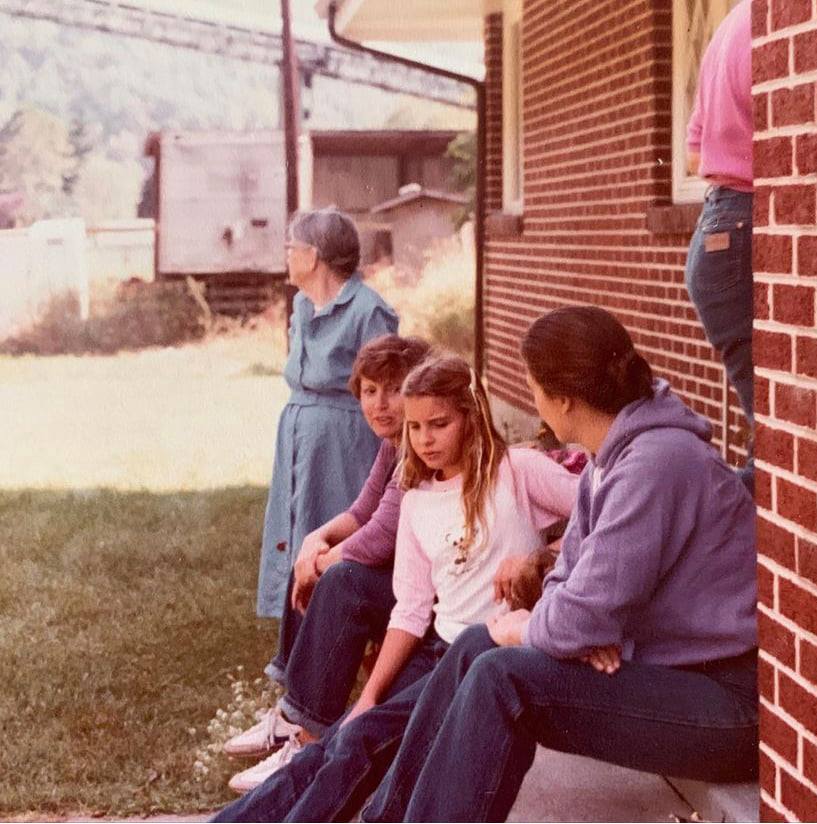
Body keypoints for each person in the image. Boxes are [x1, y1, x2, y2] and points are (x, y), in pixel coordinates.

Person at [361, 305, 758, 823]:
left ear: (563, 399)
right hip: (670, 673)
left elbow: (578, 615)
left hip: (728, 705)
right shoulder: (608, 460)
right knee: (474, 644)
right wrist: (570, 626)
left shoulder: (656, 464)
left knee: (503, 675)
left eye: (533, 388)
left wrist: (539, 628)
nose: (534, 401)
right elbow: (570, 583)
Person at [211, 354, 580, 822]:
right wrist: (368, 697)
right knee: (333, 743)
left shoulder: (517, 471)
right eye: (415, 427)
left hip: (486, 656)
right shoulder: (417, 502)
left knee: (360, 746)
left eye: (439, 424)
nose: (424, 440)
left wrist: (541, 560)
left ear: (471, 415)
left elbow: (604, 511)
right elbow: (409, 610)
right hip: (433, 650)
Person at [224, 334, 431, 792]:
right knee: (316, 560)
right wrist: (314, 542)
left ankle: (306, 730)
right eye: (370, 390)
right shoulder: (394, 445)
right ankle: (290, 712)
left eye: (394, 390)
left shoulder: (420, 446)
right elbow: (362, 511)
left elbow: (381, 535)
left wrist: (319, 563)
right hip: (409, 583)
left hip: (433, 602)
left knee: (341, 579)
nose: (380, 404)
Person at [257, 209, 398, 620]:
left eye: (291, 247)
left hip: (347, 439)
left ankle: (337, 623)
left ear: (314, 254)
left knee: (335, 526)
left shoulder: (369, 310)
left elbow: (388, 386)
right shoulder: (301, 305)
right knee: (295, 524)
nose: (286, 254)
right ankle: (296, 627)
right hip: (300, 433)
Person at [685, 0, 753, 487]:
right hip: (744, 226)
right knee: (778, 427)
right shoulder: (784, 16)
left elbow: (694, 155)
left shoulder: (729, 24)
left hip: (718, 224)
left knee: (768, 424)